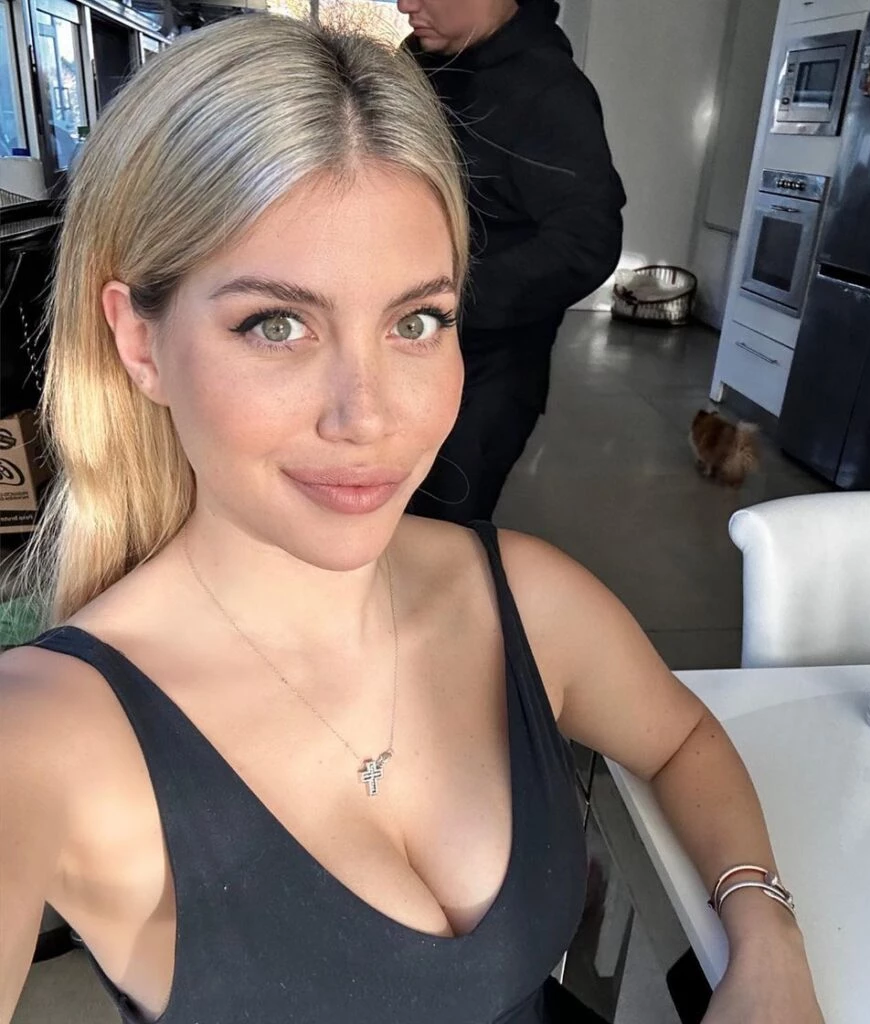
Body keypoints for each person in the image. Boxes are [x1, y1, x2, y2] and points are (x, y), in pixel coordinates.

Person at [0, 15, 822, 1024]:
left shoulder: (525, 598)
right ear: (140, 343)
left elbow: (682, 735)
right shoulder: (44, 735)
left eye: (416, 320)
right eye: (277, 324)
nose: (370, 416)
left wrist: (765, 930)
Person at [401, 0, 625, 523]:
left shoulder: (548, 93)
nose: (406, 4)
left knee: (443, 526)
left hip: (484, 376)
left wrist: (440, 305)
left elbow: (586, 242)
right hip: (401, 350)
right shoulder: (418, 64)